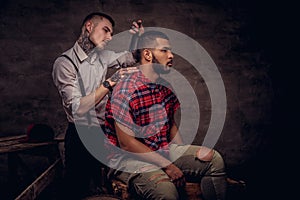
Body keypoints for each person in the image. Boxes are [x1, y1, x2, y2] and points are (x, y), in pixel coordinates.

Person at [104, 30, 227, 200]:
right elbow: (126, 144)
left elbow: (170, 125)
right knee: (167, 193)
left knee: (214, 160)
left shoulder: (164, 85)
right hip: (128, 160)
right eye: (164, 50)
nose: (171, 56)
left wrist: (182, 157)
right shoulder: (125, 89)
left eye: (170, 51)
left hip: (160, 150)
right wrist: (168, 166)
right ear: (147, 54)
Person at [52, 12, 141, 199]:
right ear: (89, 27)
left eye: (111, 33)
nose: (110, 37)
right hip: (79, 135)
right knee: (77, 190)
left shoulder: (102, 56)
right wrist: (109, 83)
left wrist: (137, 40)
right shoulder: (65, 63)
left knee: (105, 190)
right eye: (106, 30)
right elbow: (78, 108)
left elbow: (131, 58)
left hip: (103, 133)